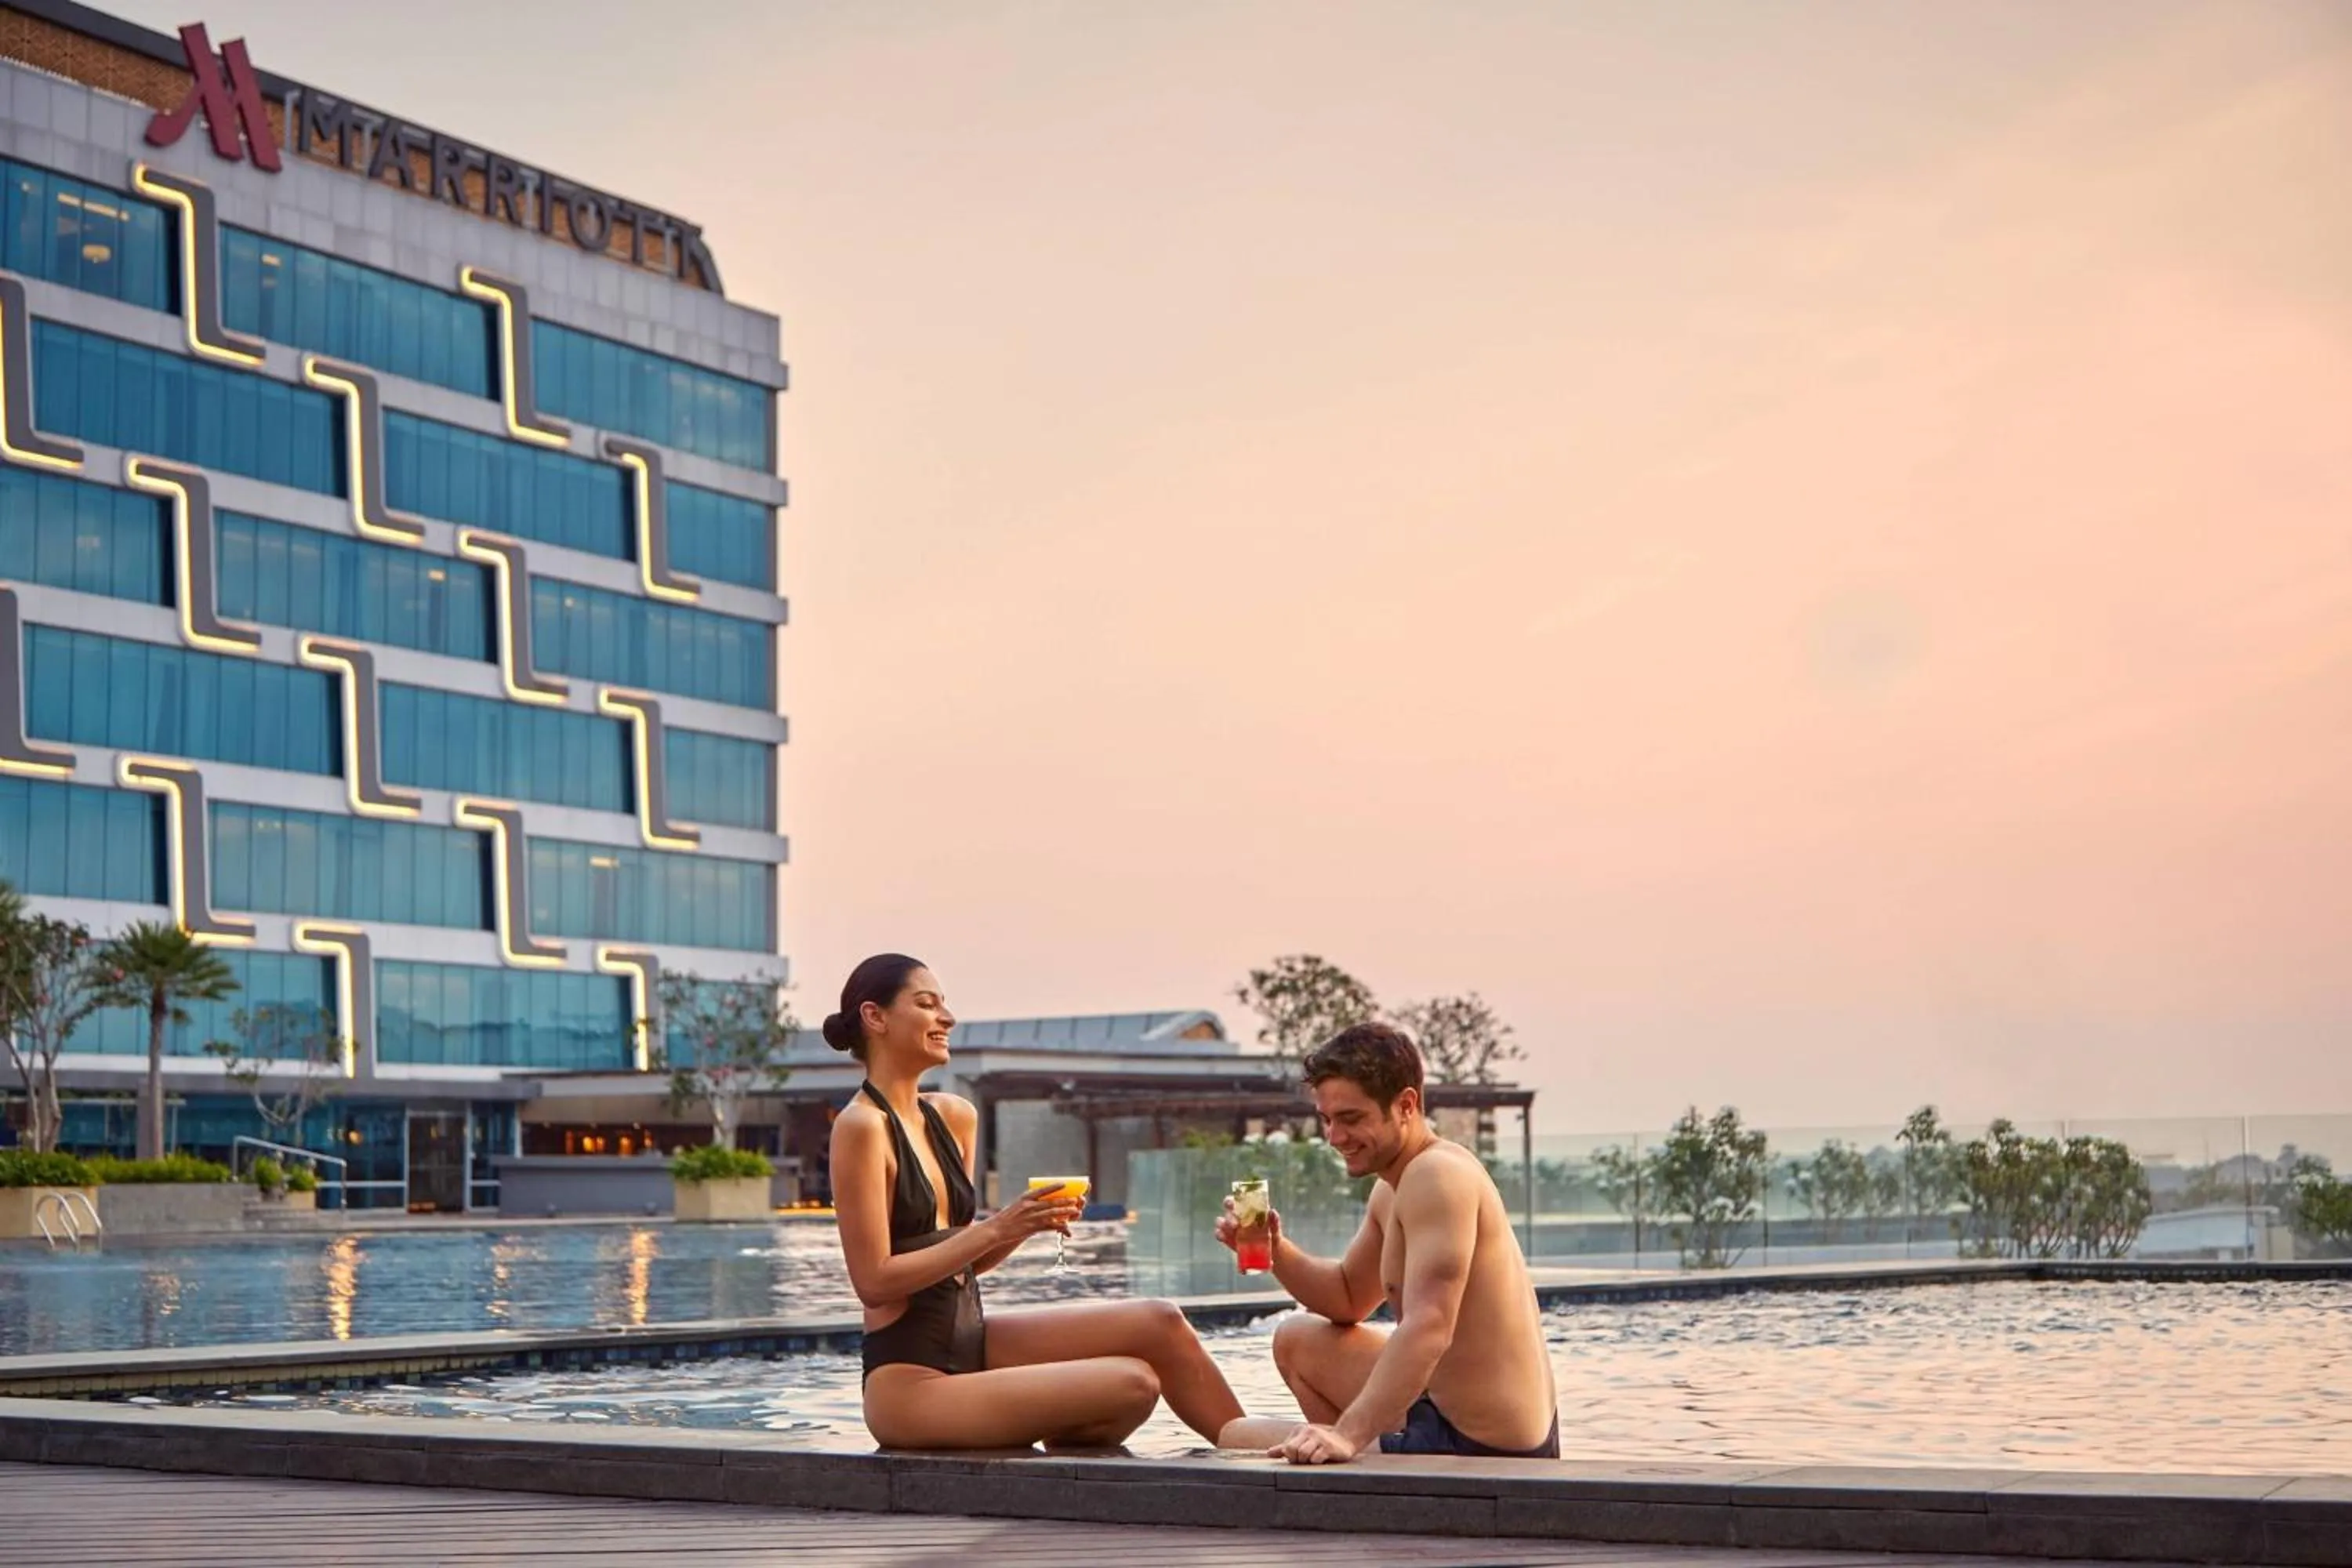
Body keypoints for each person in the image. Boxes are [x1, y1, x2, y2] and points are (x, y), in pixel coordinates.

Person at [827, 953, 1260, 1451]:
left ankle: (1247, 1445)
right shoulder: (860, 1127)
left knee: (1158, 1321)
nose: (947, 1017)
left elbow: (966, 1261)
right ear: (874, 1017)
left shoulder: (954, 1117)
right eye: (927, 1004)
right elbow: (874, 1282)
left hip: (974, 1344)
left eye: (945, 1004)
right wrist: (999, 1225)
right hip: (909, 1386)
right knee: (1132, 1383)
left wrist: (1024, 1225)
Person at [1214, 1022, 1559, 1464]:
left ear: (1405, 1105)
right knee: (1296, 1339)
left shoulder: (1437, 1176)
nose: (1335, 1138)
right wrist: (1275, 1250)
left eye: (1352, 1119)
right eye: (1328, 1119)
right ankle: (1348, 1472)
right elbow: (1345, 1298)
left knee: (1235, 1436)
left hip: (1483, 1449)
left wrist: (1347, 1434)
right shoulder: (1394, 1186)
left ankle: (1348, 1463)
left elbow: (1431, 1323)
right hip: (1441, 1411)